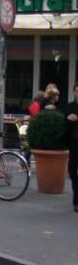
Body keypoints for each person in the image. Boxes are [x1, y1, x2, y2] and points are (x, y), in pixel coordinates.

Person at [64, 84, 78, 213]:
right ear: (74, 93)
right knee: (73, 172)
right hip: (74, 143)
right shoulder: (70, 106)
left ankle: (77, 201)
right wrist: (68, 119)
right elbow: (64, 124)